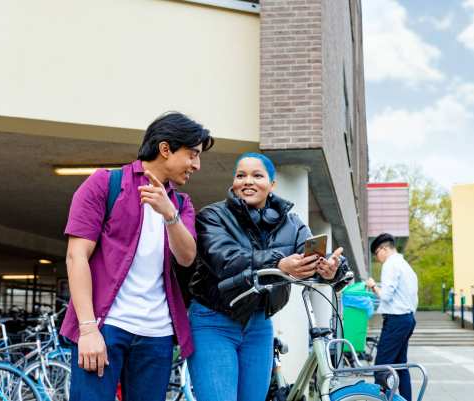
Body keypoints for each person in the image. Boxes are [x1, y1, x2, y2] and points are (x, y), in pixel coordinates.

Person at [61, 112, 214, 401]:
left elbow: (186, 257)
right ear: (166, 149)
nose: (196, 165)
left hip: (157, 334)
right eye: (192, 154)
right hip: (105, 327)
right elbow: (76, 257)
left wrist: (170, 216)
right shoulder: (105, 184)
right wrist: (88, 330)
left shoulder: (181, 204)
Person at [187, 152, 345, 401]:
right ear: (233, 182)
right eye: (241, 175)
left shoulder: (292, 224)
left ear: (272, 184)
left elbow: (315, 252)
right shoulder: (212, 217)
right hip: (213, 321)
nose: (247, 181)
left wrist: (331, 267)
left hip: (259, 324)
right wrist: (279, 263)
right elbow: (226, 259)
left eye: (257, 175)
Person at [366, 233, 418, 401]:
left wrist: (374, 286)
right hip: (407, 319)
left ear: (384, 249)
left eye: (377, 253)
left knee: (381, 366)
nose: (377, 257)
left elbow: (386, 295)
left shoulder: (390, 264)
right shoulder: (405, 265)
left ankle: (381, 399)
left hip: (396, 320)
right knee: (400, 366)